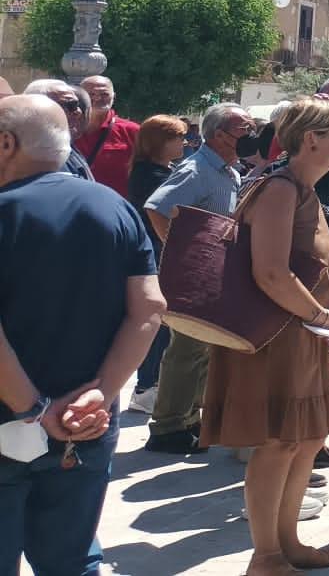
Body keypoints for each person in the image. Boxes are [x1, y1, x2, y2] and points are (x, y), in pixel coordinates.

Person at [0, 95, 165, 575]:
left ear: (6, 143)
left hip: (12, 424)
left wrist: (33, 408)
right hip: (86, 424)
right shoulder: (114, 206)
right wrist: (100, 392)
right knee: (71, 561)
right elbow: (150, 308)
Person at [201, 98, 329, 575]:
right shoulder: (281, 188)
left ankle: (288, 543)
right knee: (279, 443)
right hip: (278, 334)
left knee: (305, 440)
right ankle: (265, 556)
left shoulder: (300, 187)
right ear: (311, 140)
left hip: (302, 331)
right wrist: (320, 313)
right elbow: (270, 272)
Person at [141, 102, 251, 454]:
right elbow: (157, 207)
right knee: (185, 349)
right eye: (243, 130)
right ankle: (167, 426)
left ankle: (188, 419)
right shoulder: (197, 168)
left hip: (215, 271)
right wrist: (180, 255)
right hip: (195, 273)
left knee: (201, 349)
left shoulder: (228, 170)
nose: (250, 136)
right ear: (219, 135)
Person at [123, 114, 187, 414]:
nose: (184, 143)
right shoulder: (150, 175)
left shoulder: (164, 171)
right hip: (155, 255)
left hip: (160, 255)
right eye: (178, 137)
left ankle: (151, 384)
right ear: (159, 141)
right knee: (158, 324)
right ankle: (145, 387)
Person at [76, 75, 140, 198]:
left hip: (114, 206)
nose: (98, 98)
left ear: (114, 96)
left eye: (104, 94)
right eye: (91, 94)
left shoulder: (132, 131)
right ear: (81, 97)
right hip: (73, 205)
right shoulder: (67, 129)